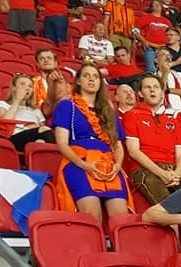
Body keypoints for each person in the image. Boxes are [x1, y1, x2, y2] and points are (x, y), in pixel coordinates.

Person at [52, 63, 131, 222]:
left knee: (121, 217)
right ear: (78, 81)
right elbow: (62, 143)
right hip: (79, 163)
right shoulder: (67, 105)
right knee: (92, 214)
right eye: (86, 76)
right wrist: (84, 165)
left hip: (108, 166)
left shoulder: (108, 111)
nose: (91, 79)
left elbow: (117, 145)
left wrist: (117, 166)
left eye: (95, 77)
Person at [123, 73, 181, 205]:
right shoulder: (131, 115)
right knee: (170, 205)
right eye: (147, 87)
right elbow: (133, 151)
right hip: (144, 169)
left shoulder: (173, 121)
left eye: (156, 87)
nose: (152, 90)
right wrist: (161, 173)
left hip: (171, 170)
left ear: (162, 93)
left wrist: (176, 174)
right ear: (140, 93)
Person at [0, 74, 55, 152]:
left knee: (40, 142)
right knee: (44, 131)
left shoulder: (36, 110)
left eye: (30, 86)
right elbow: (6, 120)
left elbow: (44, 130)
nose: (27, 88)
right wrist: (17, 100)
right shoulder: (2, 104)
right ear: (14, 88)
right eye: (22, 84)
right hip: (12, 138)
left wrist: (36, 127)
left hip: (32, 138)